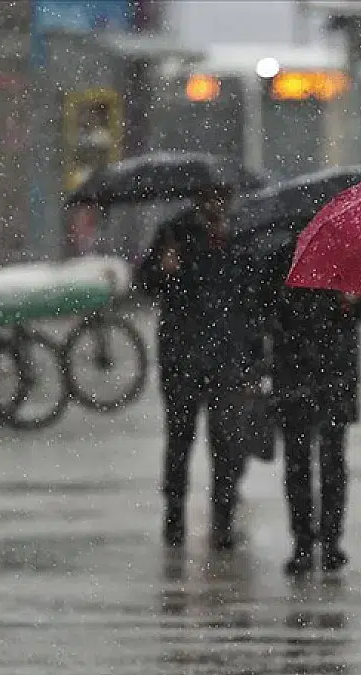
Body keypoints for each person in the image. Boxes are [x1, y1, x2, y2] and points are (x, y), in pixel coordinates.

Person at [136, 183, 264, 550]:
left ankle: (222, 520)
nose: (217, 206)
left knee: (227, 442)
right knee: (180, 438)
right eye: (211, 198)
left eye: (223, 198)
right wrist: (163, 269)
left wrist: (253, 361)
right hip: (182, 354)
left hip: (227, 356)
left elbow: (253, 302)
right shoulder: (175, 233)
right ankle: (174, 516)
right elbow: (145, 283)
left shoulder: (242, 237)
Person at [261, 245, 361, 576]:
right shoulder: (283, 258)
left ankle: (330, 542)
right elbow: (263, 309)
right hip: (294, 374)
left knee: (332, 461)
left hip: (336, 374)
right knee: (298, 462)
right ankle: (303, 543)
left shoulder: (351, 257)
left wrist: (360, 299)